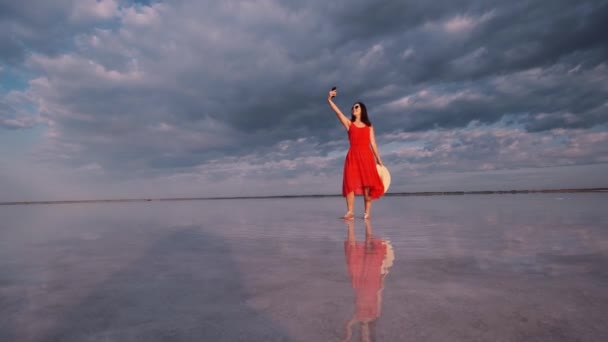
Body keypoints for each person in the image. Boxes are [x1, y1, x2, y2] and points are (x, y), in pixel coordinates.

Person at [327, 87, 385, 220]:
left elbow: (373, 144)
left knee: (367, 186)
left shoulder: (369, 127)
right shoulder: (349, 124)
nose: (353, 108)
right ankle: (350, 212)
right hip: (352, 156)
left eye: (356, 107)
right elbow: (338, 113)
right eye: (353, 107)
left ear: (362, 110)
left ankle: (367, 213)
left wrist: (379, 160)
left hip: (366, 156)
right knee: (350, 183)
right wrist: (329, 99)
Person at [342, 219, 394, 342]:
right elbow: (379, 296)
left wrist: (347, 337)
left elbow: (347, 327)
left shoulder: (358, 317)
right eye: (367, 338)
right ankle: (369, 236)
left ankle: (366, 235)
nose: (365, 336)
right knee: (370, 261)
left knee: (356, 261)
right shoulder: (375, 315)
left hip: (362, 284)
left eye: (363, 338)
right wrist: (383, 278)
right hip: (371, 284)